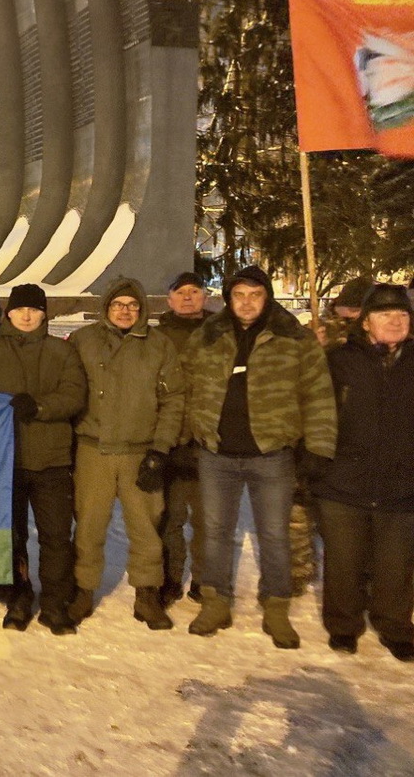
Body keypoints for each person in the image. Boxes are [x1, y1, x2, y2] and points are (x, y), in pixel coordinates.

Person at [183, 265, 336, 648]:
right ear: (228, 298)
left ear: (267, 298)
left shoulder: (294, 338)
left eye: (255, 295)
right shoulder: (208, 336)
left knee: (274, 534)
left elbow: (318, 394)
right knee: (215, 532)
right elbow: (187, 387)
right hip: (217, 453)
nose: (247, 302)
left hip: (271, 454)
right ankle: (215, 601)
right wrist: (188, 436)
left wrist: (318, 447)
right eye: (239, 295)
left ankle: (276, 605)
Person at [0, 283, 87, 635]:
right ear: (9, 314)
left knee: (56, 536)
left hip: (52, 460)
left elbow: (74, 394)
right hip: (7, 461)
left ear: (44, 314)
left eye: (34, 310)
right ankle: (18, 597)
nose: (28, 316)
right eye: (21, 310)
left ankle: (55, 603)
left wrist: (40, 406)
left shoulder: (61, 351)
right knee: (12, 535)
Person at [67, 277, 184, 631]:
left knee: (146, 526)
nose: (125, 311)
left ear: (142, 310)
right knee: (88, 525)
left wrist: (160, 448)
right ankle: (83, 588)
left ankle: (147, 593)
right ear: (106, 307)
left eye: (132, 306)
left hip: (140, 450)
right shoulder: (83, 341)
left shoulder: (159, 345)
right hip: (94, 448)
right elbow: (68, 387)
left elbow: (173, 399)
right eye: (118, 305)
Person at [314, 284, 414, 661]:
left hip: (402, 483)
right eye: (385, 314)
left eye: (402, 314)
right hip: (344, 480)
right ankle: (343, 625)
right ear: (366, 322)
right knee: (344, 561)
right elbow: (314, 411)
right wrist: (316, 462)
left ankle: (395, 625)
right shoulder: (339, 361)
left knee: (396, 563)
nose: (395, 321)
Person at [290, 277, 370, 599]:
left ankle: (357, 574)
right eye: (346, 311)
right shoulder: (314, 330)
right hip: (310, 430)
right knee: (298, 507)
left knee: (347, 516)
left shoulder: (376, 338)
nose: (350, 318)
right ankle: (298, 569)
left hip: (353, 437)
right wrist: (310, 347)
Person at [154, 271, 214, 604]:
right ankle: (171, 577)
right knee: (170, 516)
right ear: (169, 299)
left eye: (194, 291)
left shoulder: (221, 333)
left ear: (205, 296)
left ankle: (204, 580)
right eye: (180, 292)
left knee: (208, 519)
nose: (188, 297)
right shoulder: (158, 337)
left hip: (210, 441)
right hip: (172, 438)